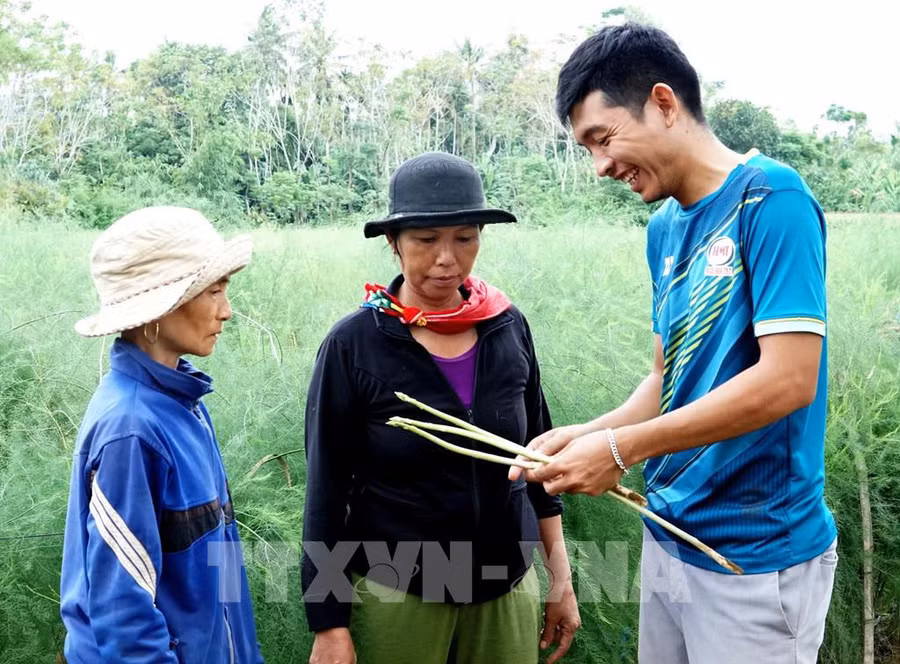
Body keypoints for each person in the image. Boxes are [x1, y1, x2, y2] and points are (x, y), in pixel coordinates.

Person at [511, 23, 838, 664]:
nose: (601, 166)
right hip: (670, 535)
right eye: (587, 149)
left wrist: (618, 449)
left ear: (664, 102)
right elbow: (668, 379)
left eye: (602, 139)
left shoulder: (770, 200)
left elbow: (788, 379)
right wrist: (586, 434)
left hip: (753, 556)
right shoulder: (663, 228)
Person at [302, 152, 581, 664]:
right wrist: (329, 622)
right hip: (398, 591)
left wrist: (560, 580)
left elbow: (540, 462)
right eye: (426, 240)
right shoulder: (355, 344)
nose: (446, 258)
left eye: (465, 237)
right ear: (394, 243)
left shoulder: (507, 326)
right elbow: (326, 490)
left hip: (504, 586)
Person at [60, 206, 264, 663]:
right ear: (159, 308)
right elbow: (123, 616)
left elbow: (220, 570)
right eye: (213, 291)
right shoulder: (131, 428)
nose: (226, 311)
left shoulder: (184, 404)